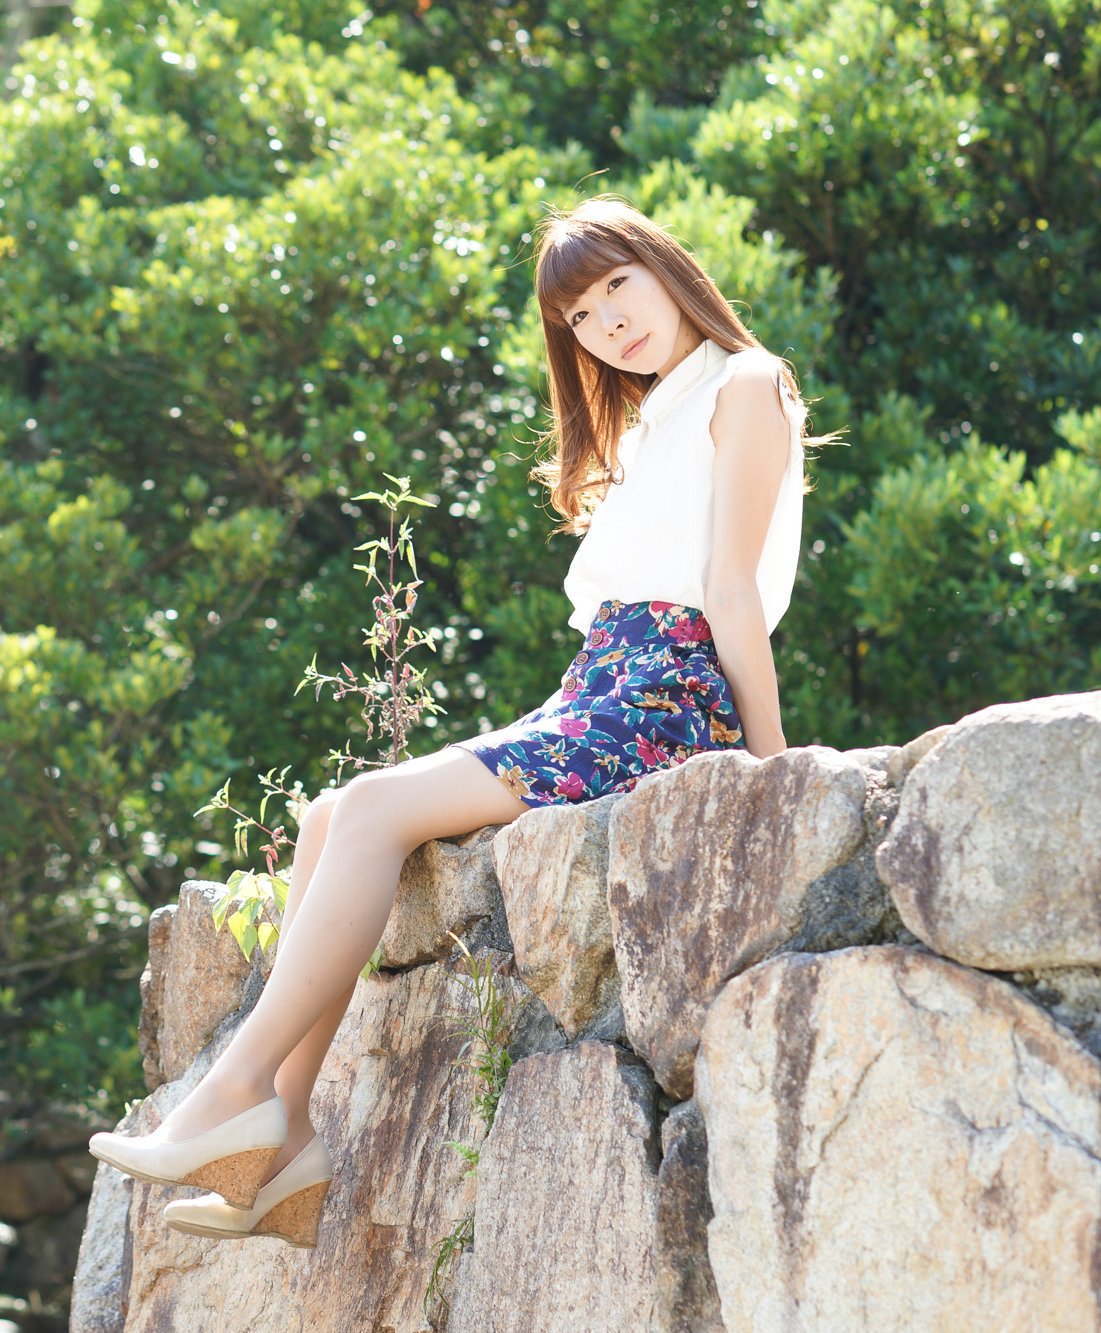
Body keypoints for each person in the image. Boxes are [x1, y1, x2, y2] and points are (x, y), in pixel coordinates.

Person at [89, 196, 820, 1249]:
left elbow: (732, 591)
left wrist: (771, 764)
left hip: (668, 693)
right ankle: (285, 1138)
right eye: (578, 316)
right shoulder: (653, 417)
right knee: (330, 815)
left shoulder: (743, 381)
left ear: (666, 268)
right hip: (603, 685)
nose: (606, 323)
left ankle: (235, 1089)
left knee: (373, 808)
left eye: (617, 286)